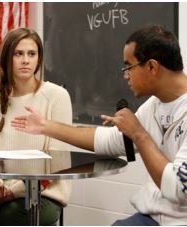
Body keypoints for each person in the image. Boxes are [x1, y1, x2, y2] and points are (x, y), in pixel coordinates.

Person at [11, 24, 187, 225]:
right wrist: (45, 126)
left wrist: (139, 134)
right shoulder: (155, 105)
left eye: (128, 67)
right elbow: (110, 141)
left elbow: (178, 188)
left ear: (152, 67)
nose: (125, 75)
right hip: (152, 217)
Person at [0, 28, 73, 225]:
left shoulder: (57, 96)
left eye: (32, 54)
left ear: (38, 59)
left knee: (5, 219)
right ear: (7, 58)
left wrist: (12, 192)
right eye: (18, 54)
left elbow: (58, 163)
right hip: (0, 188)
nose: (25, 60)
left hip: (45, 193)